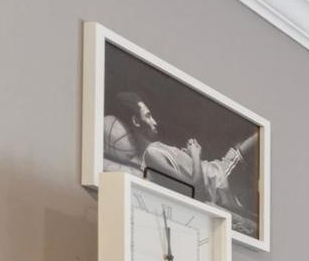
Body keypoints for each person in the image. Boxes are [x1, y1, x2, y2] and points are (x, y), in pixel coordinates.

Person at [102, 89, 256, 218]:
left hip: (218, 170)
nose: (154, 121)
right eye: (148, 116)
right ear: (136, 121)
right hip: (219, 180)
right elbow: (194, 190)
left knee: (250, 141)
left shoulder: (156, 147)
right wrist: (195, 154)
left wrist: (188, 155)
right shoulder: (151, 154)